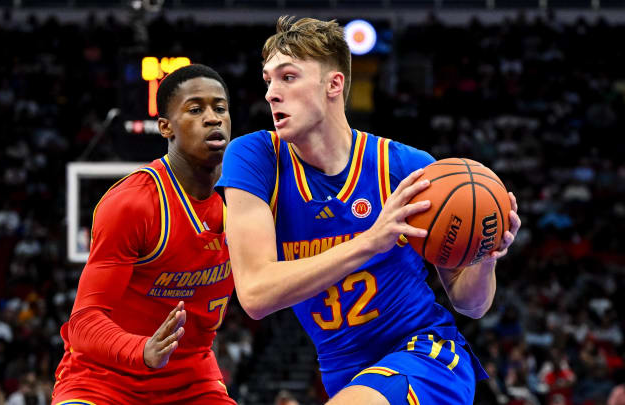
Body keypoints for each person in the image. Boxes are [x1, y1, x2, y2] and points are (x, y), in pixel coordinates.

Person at [218, 16, 522, 405]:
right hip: (343, 373)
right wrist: (370, 241)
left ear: (334, 84)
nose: (272, 93)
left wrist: (484, 253)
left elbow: (471, 304)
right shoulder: (255, 157)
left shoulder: (405, 169)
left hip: (425, 355)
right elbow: (257, 295)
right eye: (269, 80)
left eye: (288, 77)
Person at [52, 64, 236, 405]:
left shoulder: (247, 197)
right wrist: (142, 350)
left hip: (191, 381)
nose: (213, 118)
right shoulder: (133, 203)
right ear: (165, 127)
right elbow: (82, 322)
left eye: (220, 108)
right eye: (196, 109)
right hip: (104, 379)